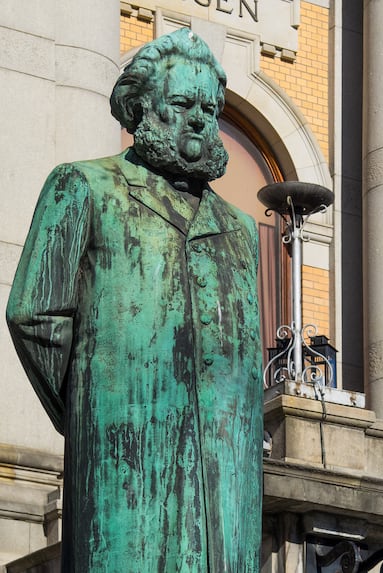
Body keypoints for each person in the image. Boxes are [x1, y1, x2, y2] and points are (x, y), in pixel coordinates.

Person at [6, 28, 263, 572]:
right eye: (182, 103)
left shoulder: (241, 230)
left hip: (227, 486)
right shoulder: (84, 186)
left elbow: (246, 364)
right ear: (143, 105)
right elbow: (34, 314)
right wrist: (94, 407)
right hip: (124, 467)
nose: (199, 117)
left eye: (209, 108)